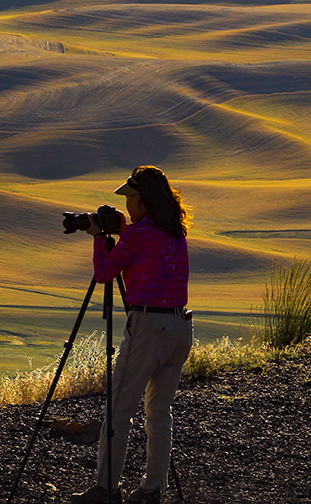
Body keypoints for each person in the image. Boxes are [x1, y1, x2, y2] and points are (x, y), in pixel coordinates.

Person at [71, 165, 193, 504]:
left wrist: (99, 238)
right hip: (180, 327)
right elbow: (146, 245)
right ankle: (153, 489)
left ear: (141, 199)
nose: (127, 205)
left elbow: (105, 273)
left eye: (130, 199)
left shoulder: (139, 234)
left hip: (148, 329)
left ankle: (106, 489)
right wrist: (124, 230)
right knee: (159, 412)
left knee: (119, 410)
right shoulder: (175, 231)